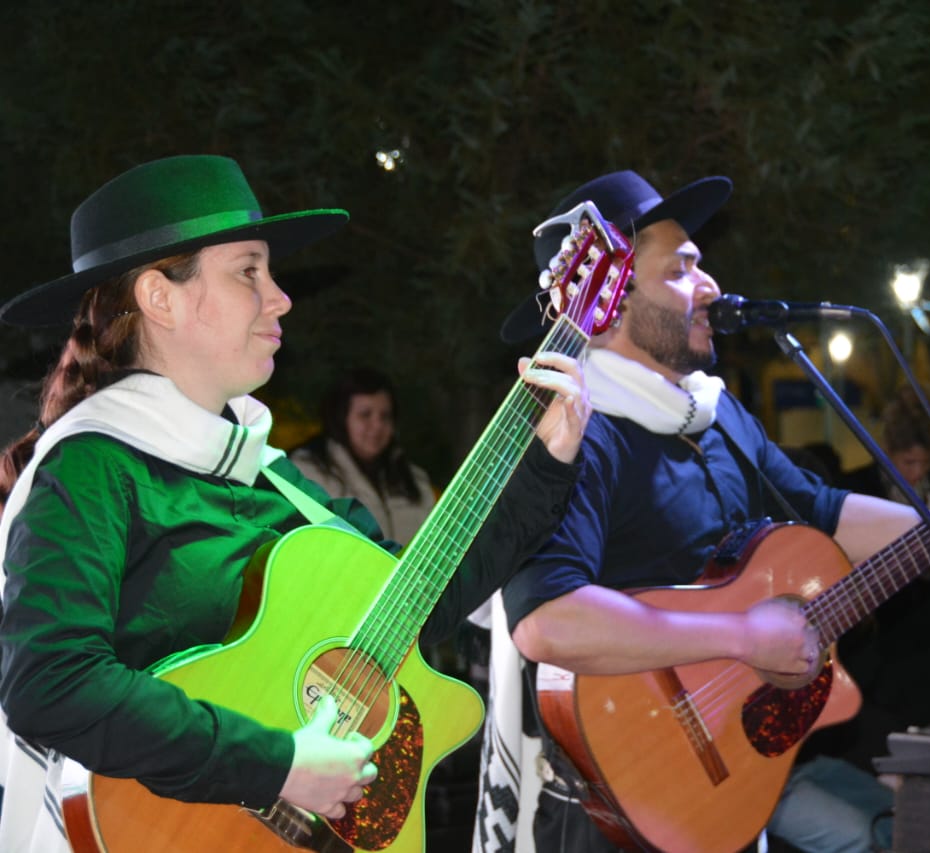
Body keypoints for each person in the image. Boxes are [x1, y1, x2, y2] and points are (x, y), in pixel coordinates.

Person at [0, 154, 590, 852]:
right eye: (249, 271)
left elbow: (410, 605)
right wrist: (278, 762)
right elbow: (51, 680)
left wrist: (544, 463)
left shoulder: (262, 467)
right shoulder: (92, 466)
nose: (279, 298)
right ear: (162, 297)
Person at [490, 169, 930, 853]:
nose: (710, 286)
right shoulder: (570, 434)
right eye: (683, 268)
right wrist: (742, 636)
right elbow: (547, 621)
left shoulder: (714, 416)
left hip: (723, 795)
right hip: (614, 821)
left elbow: (823, 512)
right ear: (611, 297)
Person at [813, 386, 930, 774]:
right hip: (888, 644)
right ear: (888, 454)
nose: (916, 472)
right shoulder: (858, 487)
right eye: (907, 462)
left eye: (923, 463)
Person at [291, 367, 436, 542]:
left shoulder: (414, 480)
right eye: (365, 415)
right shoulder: (308, 472)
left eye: (385, 416)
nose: (377, 426)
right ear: (341, 418)